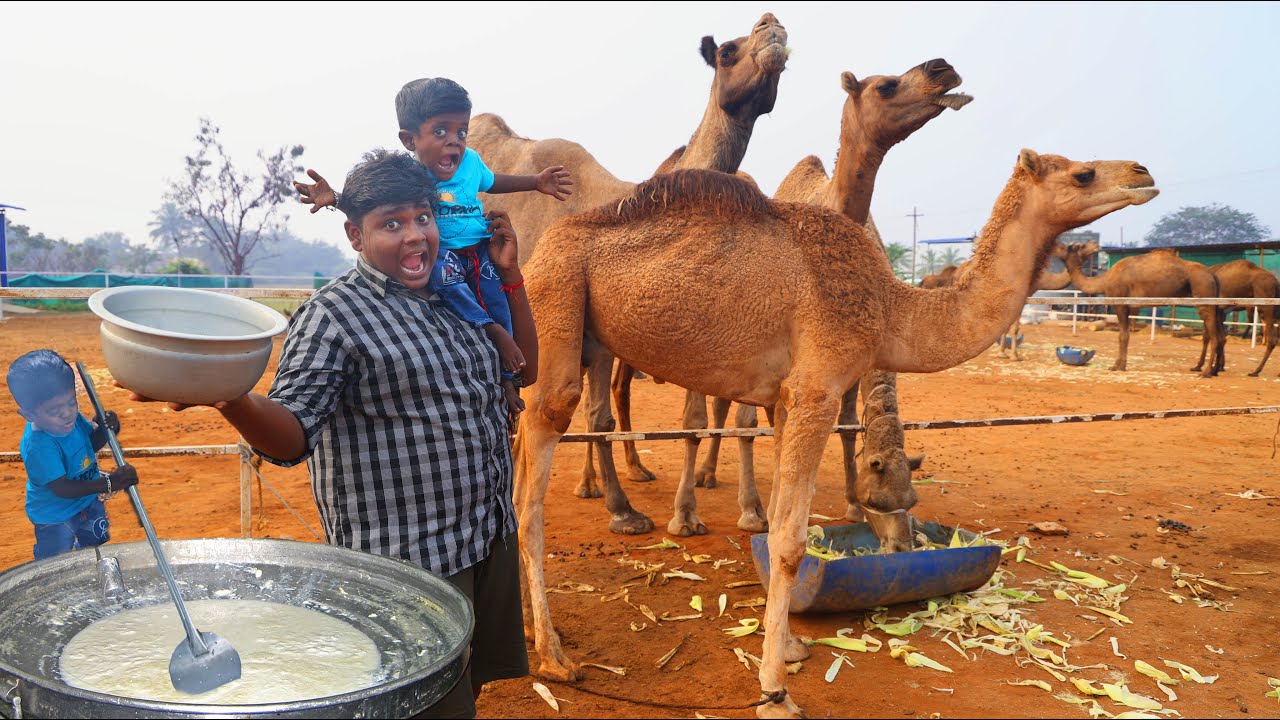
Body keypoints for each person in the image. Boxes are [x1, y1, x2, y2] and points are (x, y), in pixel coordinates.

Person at [135, 148, 536, 719]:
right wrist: (232, 398)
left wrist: (509, 275)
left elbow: (524, 371)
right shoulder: (334, 315)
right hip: (407, 565)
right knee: (424, 703)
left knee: (463, 683)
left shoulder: (452, 294)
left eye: (422, 217)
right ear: (355, 234)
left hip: (482, 536)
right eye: (391, 224)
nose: (415, 236)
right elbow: (292, 436)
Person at [295, 76, 570, 423]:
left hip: (478, 249)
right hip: (444, 257)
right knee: (451, 285)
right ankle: (493, 331)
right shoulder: (413, 176)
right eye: (440, 131)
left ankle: (505, 380)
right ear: (410, 140)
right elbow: (375, 206)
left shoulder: (471, 163)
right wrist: (337, 199)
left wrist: (535, 185)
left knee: (495, 298)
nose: (454, 141)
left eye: (461, 132)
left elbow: (493, 181)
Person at [7, 349, 138, 561]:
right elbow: (62, 488)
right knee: (56, 563)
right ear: (29, 415)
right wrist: (109, 484)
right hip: (55, 517)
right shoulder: (39, 446)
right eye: (54, 411)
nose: (67, 413)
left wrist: (107, 430)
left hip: (87, 502)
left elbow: (89, 446)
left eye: (71, 402)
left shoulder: (71, 419)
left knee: (94, 552)